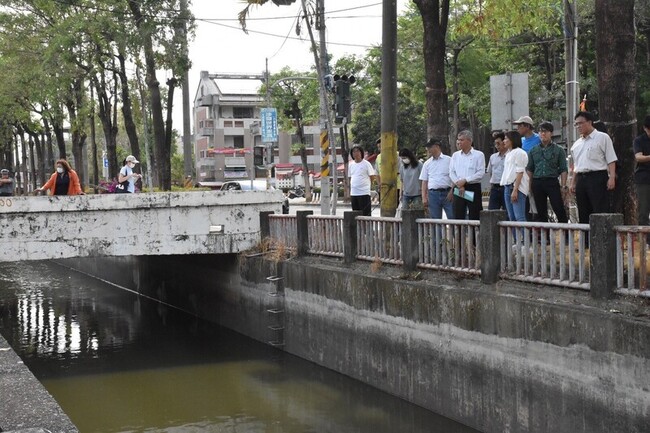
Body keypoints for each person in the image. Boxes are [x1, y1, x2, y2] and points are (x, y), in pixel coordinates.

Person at [569, 111, 617, 224]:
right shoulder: (577, 144)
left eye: (581, 123)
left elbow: (611, 158)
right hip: (581, 178)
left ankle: (600, 239)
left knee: (599, 210)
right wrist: (573, 182)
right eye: (576, 124)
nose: (578, 126)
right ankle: (586, 240)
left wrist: (612, 177)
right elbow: (576, 164)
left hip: (597, 177)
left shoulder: (602, 137)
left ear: (590, 122)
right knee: (583, 211)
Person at [526, 121, 569, 223]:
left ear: (551, 133)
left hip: (552, 182)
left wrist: (563, 186)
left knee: (558, 208)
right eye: (540, 132)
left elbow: (563, 169)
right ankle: (544, 238)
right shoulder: (533, 150)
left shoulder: (559, 150)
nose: (543, 134)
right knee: (540, 212)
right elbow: (530, 170)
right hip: (537, 182)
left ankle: (566, 235)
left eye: (545, 131)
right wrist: (529, 187)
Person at [500, 131, 529, 245]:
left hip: (515, 187)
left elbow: (520, 172)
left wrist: (515, 189)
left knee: (519, 217)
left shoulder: (519, 153)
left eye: (506, 138)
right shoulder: (508, 153)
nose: (504, 141)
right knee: (511, 217)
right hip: (507, 186)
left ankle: (525, 242)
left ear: (512, 140)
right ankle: (517, 241)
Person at [449, 130, 485, 220]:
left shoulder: (478, 155)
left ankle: (475, 234)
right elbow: (451, 172)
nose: (459, 142)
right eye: (458, 140)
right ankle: (459, 234)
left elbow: (480, 173)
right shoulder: (455, 155)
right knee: (458, 214)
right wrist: (459, 184)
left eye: (461, 140)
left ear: (469, 141)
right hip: (459, 188)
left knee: (475, 214)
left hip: (473, 187)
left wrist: (465, 180)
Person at [419, 139, 453, 219]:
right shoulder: (427, 163)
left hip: (447, 192)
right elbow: (424, 181)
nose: (428, 149)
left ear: (437, 146)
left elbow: (454, 177)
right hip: (433, 194)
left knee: (452, 216)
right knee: (435, 219)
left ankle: (453, 232)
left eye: (430, 147)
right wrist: (424, 197)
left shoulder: (449, 160)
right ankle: (437, 232)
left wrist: (452, 191)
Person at [348, 145, 376, 216]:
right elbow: (350, 177)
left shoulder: (366, 164)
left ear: (361, 153)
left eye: (357, 151)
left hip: (364, 192)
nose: (356, 153)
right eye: (354, 152)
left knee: (365, 214)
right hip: (354, 193)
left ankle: (366, 227)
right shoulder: (351, 165)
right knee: (355, 214)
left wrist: (367, 185)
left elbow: (372, 176)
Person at [633, 115, 650, 227]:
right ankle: (646, 240)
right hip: (644, 178)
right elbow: (638, 157)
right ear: (645, 128)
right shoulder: (639, 140)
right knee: (643, 211)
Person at [486, 132, 507, 210]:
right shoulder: (493, 157)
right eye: (495, 144)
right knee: (492, 212)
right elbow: (490, 172)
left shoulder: (510, 156)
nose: (496, 146)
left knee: (507, 212)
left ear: (504, 142)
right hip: (495, 188)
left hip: (506, 187)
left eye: (498, 143)